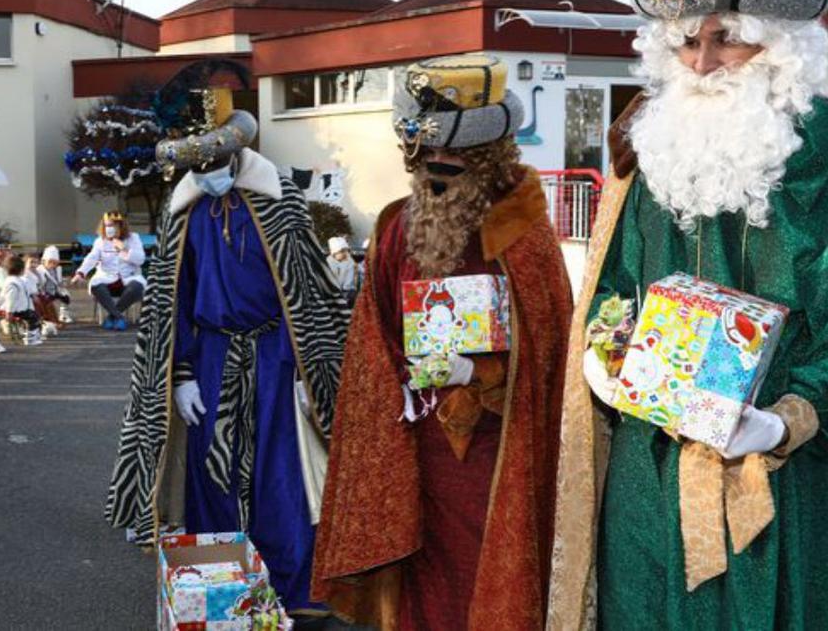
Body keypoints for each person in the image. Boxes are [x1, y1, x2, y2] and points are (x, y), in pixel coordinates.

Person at [550, 0, 828, 629]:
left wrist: (789, 417)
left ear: (782, 46)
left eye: (727, 37)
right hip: (652, 476)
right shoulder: (652, 146)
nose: (704, 63)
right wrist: (603, 352)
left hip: (775, 485)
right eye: (685, 42)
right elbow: (614, 286)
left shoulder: (819, 156)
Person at [312, 54, 572, 630]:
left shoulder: (523, 233)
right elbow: (372, 339)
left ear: (486, 158)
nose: (435, 168)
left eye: (452, 158)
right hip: (414, 451)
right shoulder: (397, 226)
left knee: (489, 578)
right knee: (420, 584)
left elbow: (550, 356)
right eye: (425, 155)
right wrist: (392, 393)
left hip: (496, 455)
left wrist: (478, 376)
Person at [105, 60, 350, 617]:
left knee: (280, 477)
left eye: (214, 162)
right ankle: (221, 595)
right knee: (211, 477)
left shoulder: (278, 198)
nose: (207, 173)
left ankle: (294, 589)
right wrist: (182, 375)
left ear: (233, 152)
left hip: (276, 357)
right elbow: (174, 302)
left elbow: (307, 293)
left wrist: (309, 371)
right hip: (212, 357)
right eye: (197, 164)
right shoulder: (183, 211)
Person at [73, 211, 146, 331]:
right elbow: (91, 258)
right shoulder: (100, 241)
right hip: (107, 277)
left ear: (121, 226)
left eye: (113, 225)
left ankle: (112, 317)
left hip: (128, 278)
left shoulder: (133, 238)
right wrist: (80, 273)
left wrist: (125, 248)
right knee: (96, 285)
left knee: (137, 287)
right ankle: (118, 317)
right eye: (107, 225)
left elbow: (140, 260)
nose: (110, 228)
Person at [1, 255, 43, 346]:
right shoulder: (12, 283)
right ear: (21, 270)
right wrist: (9, 312)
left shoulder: (20, 280)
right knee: (32, 317)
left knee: (35, 316)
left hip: (22, 307)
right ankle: (29, 338)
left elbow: (28, 290)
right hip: (15, 309)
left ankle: (34, 336)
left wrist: (33, 295)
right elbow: (10, 299)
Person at [325, 236, 359, 306]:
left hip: (346, 288)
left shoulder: (349, 262)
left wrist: (346, 288)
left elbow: (350, 277)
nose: (345, 254)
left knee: (352, 294)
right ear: (334, 253)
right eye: (341, 251)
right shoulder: (329, 262)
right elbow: (328, 277)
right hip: (332, 288)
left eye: (346, 251)